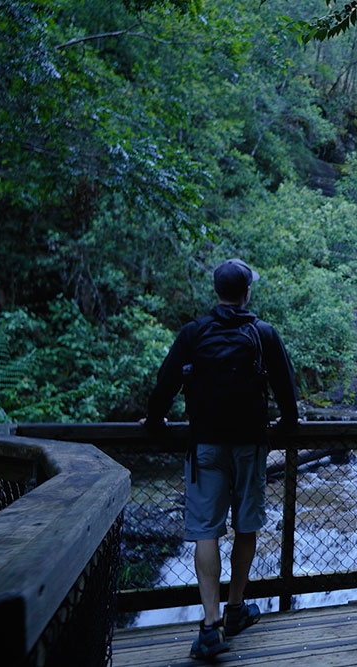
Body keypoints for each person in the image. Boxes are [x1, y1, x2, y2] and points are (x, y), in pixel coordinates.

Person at [142, 258, 299, 660]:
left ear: (218, 292)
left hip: (206, 446)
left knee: (206, 531)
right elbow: (286, 392)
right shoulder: (263, 333)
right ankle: (235, 609)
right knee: (246, 526)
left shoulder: (194, 333)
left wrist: (156, 425)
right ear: (246, 292)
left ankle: (210, 626)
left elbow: (165, 386)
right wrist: (285, 425)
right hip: (250, 445)